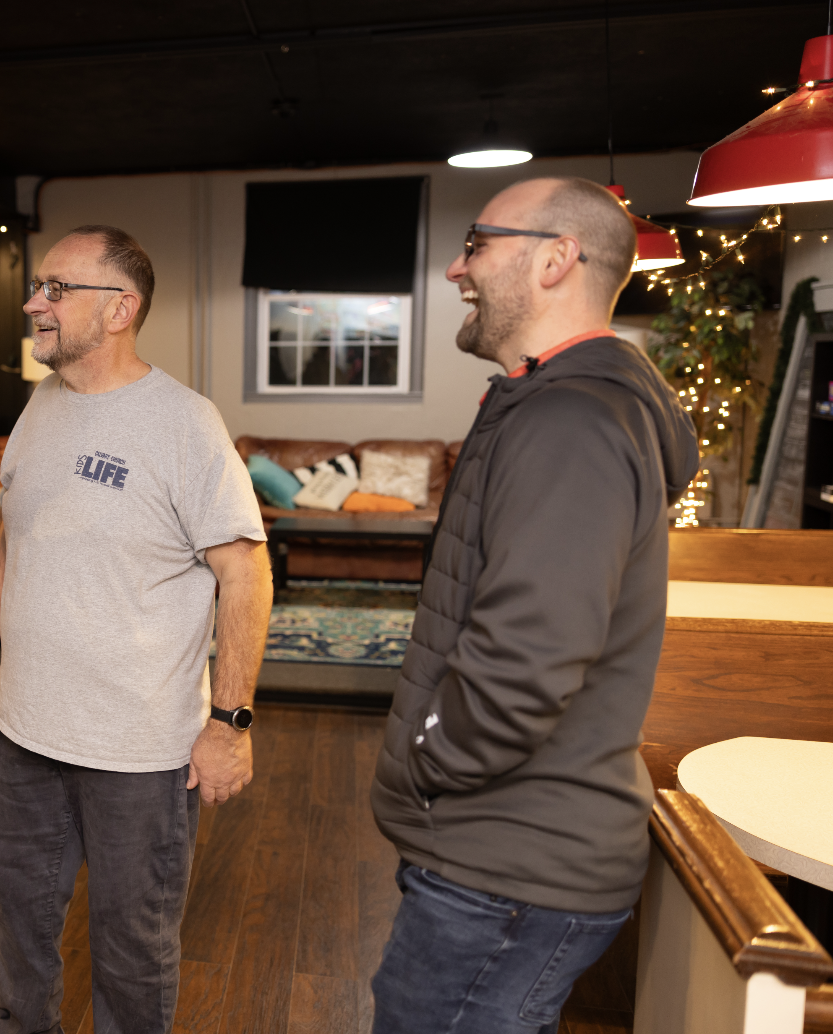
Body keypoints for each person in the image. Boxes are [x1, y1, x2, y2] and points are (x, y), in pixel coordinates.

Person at [367, 177, 699, 1034]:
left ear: (555, 260)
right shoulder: (546, 400)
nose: (456, 268)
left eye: (477, 245)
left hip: (505, 871)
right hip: (496, 861)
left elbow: (524, 665)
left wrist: (429, 755)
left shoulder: (572, 422)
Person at [0, 225, 272, 1034]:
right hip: (24, 738)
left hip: (140, 755)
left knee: (132, 952)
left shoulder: (185, 423)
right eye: (37, 287)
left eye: (57, 289)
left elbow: (246, 574)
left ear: (120, 309)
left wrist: (229, 724)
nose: (34, 303)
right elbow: (16, 537)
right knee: (20, 927)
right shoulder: (41, 405)